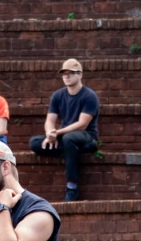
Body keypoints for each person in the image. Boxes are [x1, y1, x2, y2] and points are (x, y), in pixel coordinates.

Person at [29, 59, 100, 202]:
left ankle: (72, 188)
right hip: (67, 137)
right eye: (64, 74)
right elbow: (50, 120)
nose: (66, 76)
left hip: (87, 137)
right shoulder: (58, 95)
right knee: (35, 143)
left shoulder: (89, 96)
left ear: (80, 75)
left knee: (69, 139)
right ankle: (71, 152)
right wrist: (50, 133)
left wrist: (58, 133)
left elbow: (82, 124)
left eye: (71, 73)